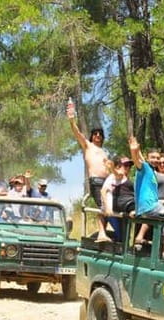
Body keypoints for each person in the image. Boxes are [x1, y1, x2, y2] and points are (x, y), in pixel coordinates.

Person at [67, 99, 111, 242]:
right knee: (103, 206)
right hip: (96, 182)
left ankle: (105, 232)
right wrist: (72, 120)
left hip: (107, 182)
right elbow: (77, 133)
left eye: (100, 134)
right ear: (92, 136)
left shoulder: (104, 152)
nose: (98, 136)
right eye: (95, 134)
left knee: (110, 207)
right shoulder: (88, 146)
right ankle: (101, 233)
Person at [101, 156, 135, 242]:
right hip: (118, 209)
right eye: (125, 165)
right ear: (118, 167)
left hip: (123, 210)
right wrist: (107, 207)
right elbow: (103, 191)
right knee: (122, 237)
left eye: (129, 166)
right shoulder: (116, 176)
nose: (128, 168)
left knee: (124, 236)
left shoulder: (124, 179)